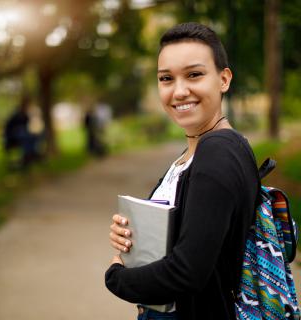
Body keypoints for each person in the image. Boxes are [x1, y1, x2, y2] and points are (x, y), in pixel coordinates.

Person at [105, 22, 260, 320]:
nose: (179, 91)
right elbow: (201, 237)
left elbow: (187, 272)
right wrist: (134, 236)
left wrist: (116, 276)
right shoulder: (196, 153)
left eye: (194, 75)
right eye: (166, 78)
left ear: (224, 79)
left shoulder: (217, 152)